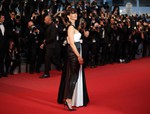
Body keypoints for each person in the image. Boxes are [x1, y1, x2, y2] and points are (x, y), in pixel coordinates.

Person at [57, 8, 89, 111]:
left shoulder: (74, 26)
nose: (75, 15)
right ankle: (69, 99)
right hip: (73, 53)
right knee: (73, 76)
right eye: (72, 13)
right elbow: (71, 43)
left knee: (74, 76)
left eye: (75, 13)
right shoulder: (70, 27)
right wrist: (78, 55)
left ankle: (69, 98)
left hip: (75, 52)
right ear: (68, 16)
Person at [0, 12, 8, 78]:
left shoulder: (4, 25)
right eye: (2, 18)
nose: (4, 19)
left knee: (2, 59)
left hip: (4, 45)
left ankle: (2, 72)